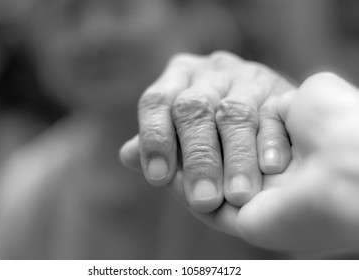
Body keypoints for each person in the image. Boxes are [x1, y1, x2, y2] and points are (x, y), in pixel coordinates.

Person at [0, 0, 278, 259]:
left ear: (190, 17)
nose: (96, 34)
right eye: (68, 14)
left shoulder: (254, 146)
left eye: (121, 7)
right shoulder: (22, 192)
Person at [120, 52, 359, 258]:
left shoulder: (285, 121)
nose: (96, 33)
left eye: (123, 9)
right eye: (79, 14)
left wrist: (342, 169)